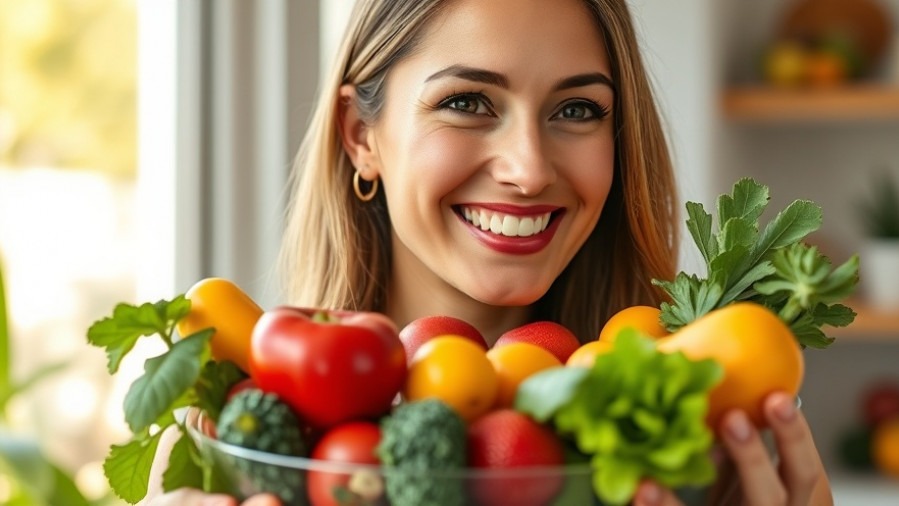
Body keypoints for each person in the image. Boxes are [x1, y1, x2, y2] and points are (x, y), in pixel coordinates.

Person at [144, 0, 834, 504]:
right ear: (361, 135)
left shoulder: (695, 449)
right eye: (468, 101)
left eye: (576, 110)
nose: (529, 169)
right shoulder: (228, 439)